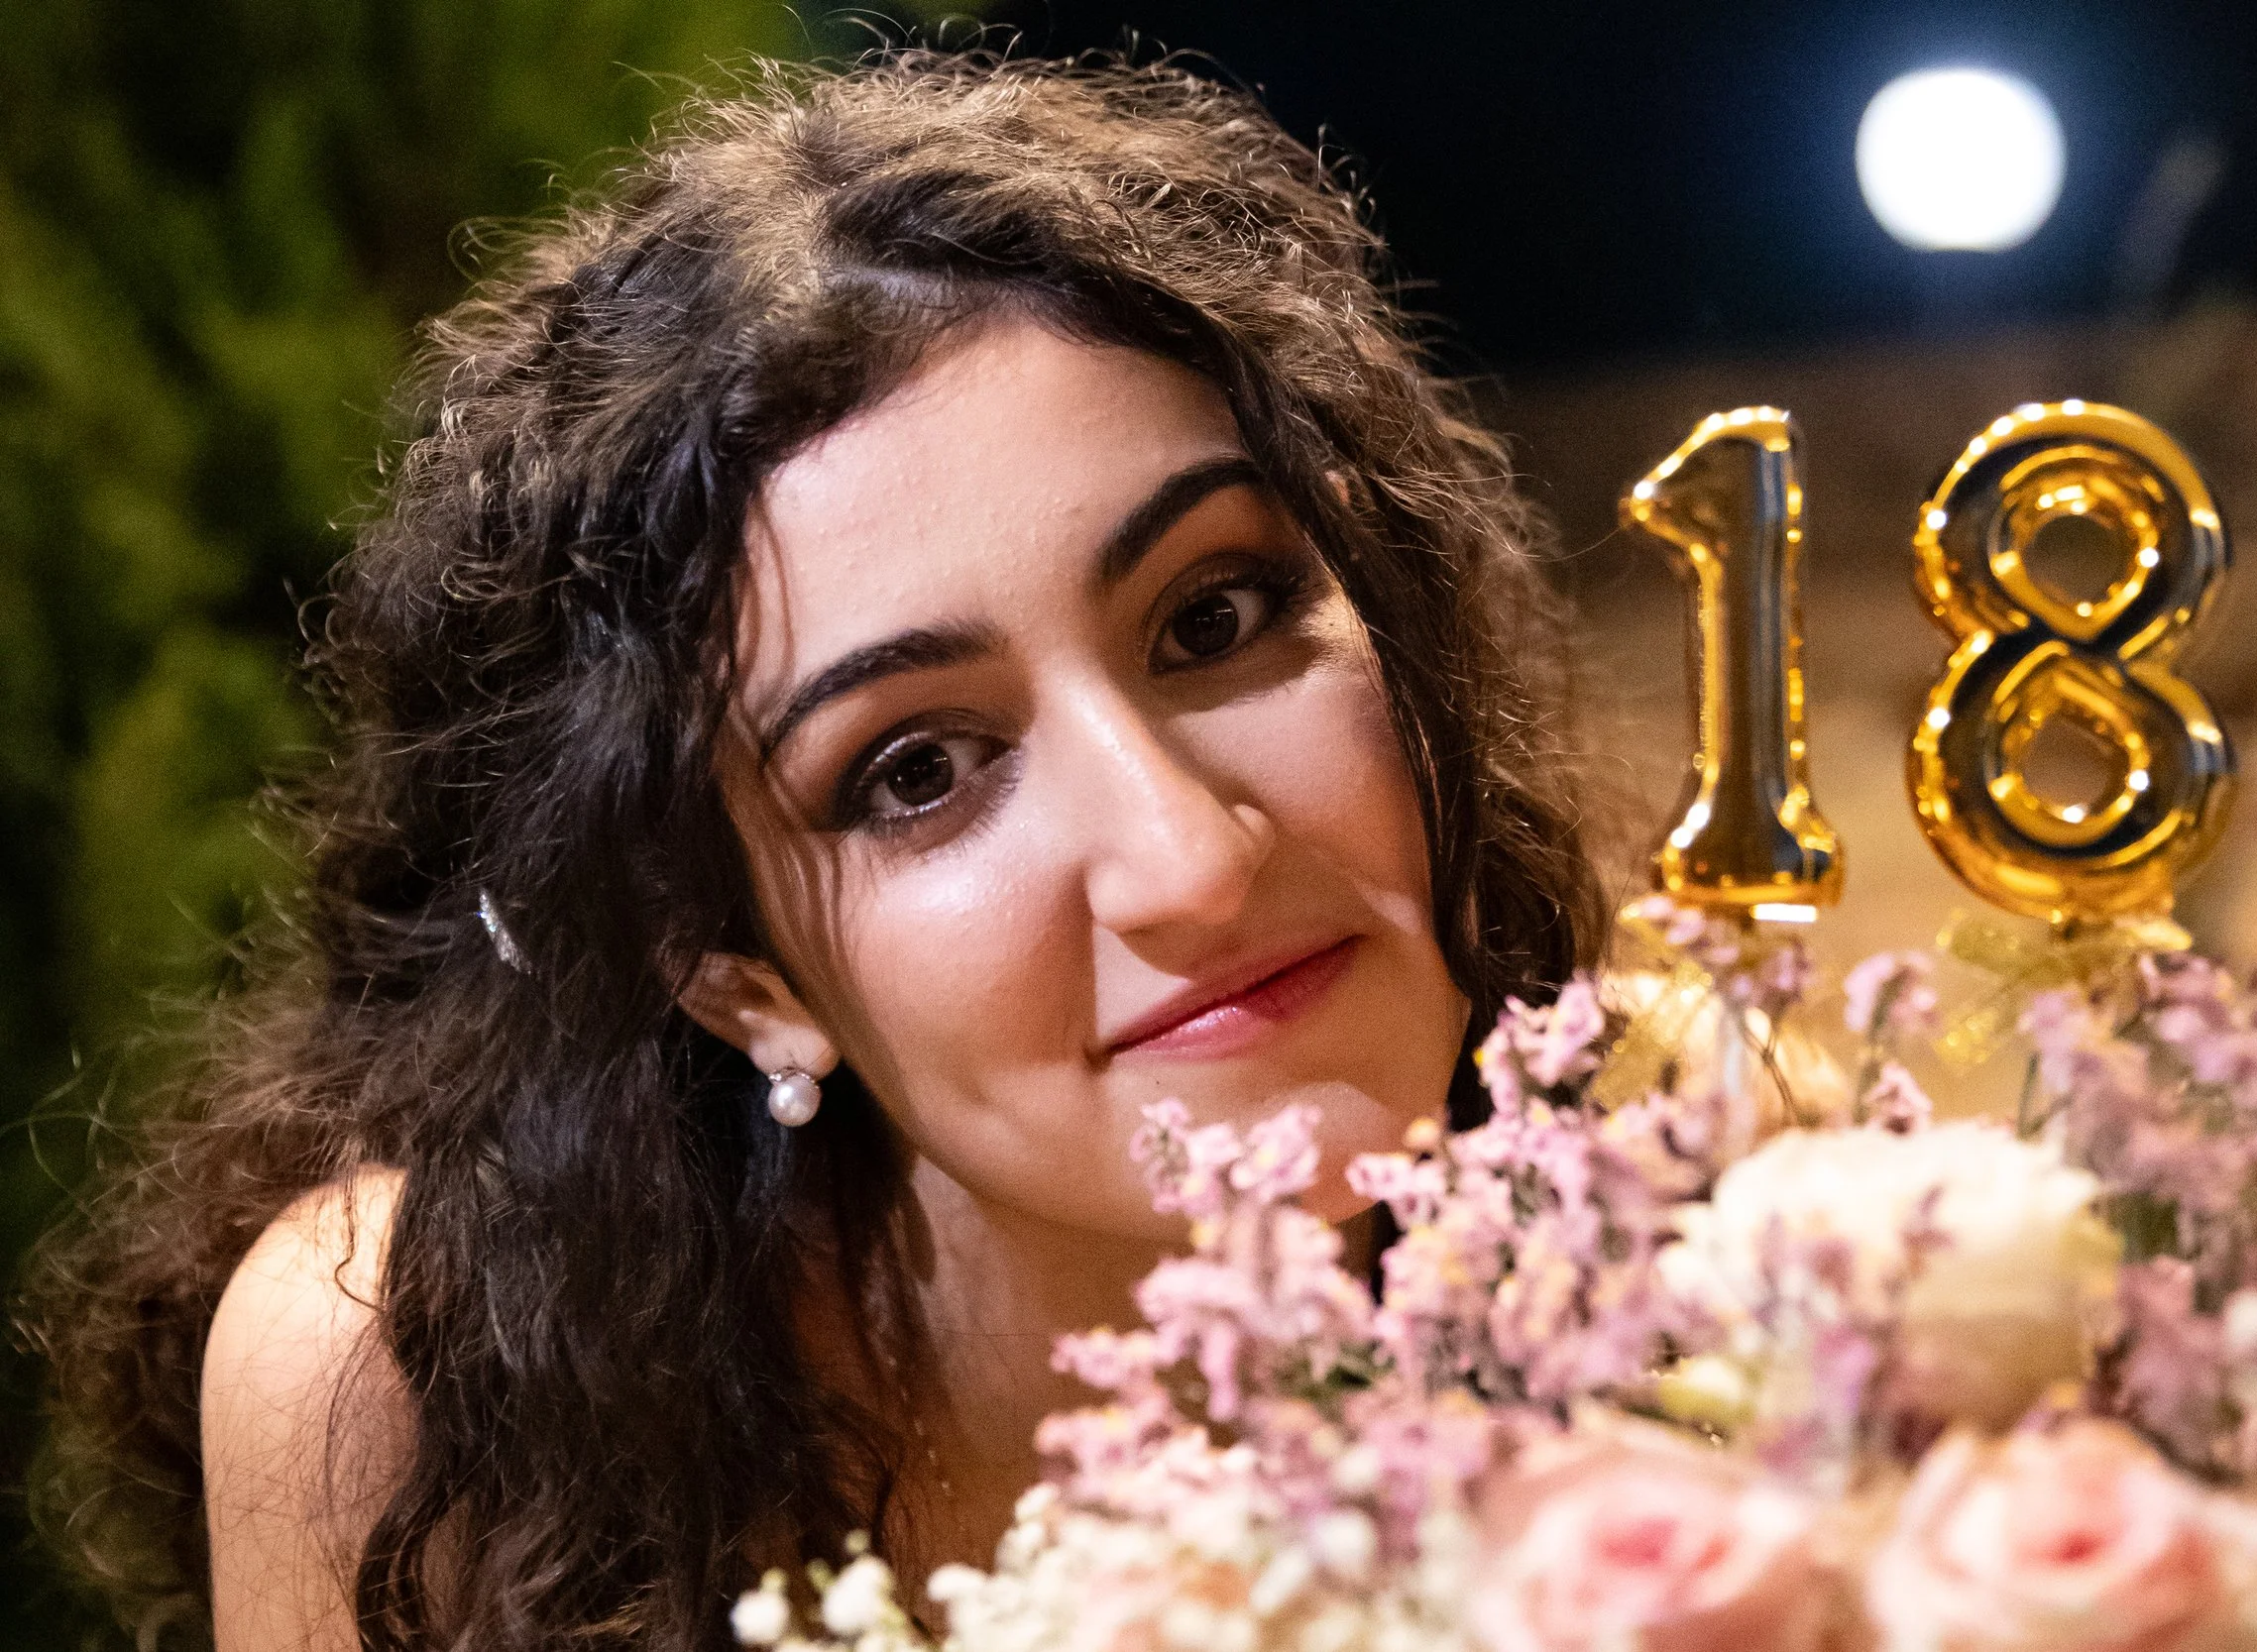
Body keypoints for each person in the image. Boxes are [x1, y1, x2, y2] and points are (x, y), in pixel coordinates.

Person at [25, 51, 1608, 1652]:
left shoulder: (1705, 1197)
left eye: (1214, 617)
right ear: (736, 975)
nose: (1188, 858)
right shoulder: (420, 1371)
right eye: (916, 772)